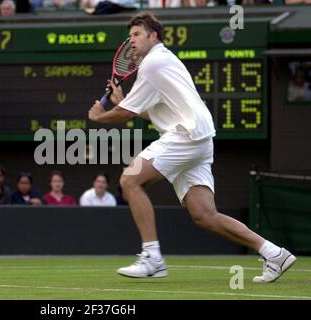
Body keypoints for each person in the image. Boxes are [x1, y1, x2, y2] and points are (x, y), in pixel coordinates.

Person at [88, 12, 296, 282]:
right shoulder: (163, 62)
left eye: (137, 35)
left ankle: (152, 258)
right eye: (130, 36)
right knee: (204, 215)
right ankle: (274, 253)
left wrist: (99, 116)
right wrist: (123, 101)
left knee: (130, 180)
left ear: (154, 36)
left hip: (185, 135)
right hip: (199, 138)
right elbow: (151, 112)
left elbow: (125, 113)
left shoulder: (152, 63)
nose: (132, 41)